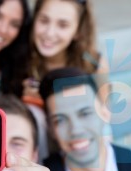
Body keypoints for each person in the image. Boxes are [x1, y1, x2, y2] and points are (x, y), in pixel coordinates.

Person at [23, 0, 110, 161]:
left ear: (78, 30)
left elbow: (103, 122)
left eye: (62, 25)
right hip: (38, 153)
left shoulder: (94, 64)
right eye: (44, 21)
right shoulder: (20, 63)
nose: (49, 33)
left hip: (81, 147)